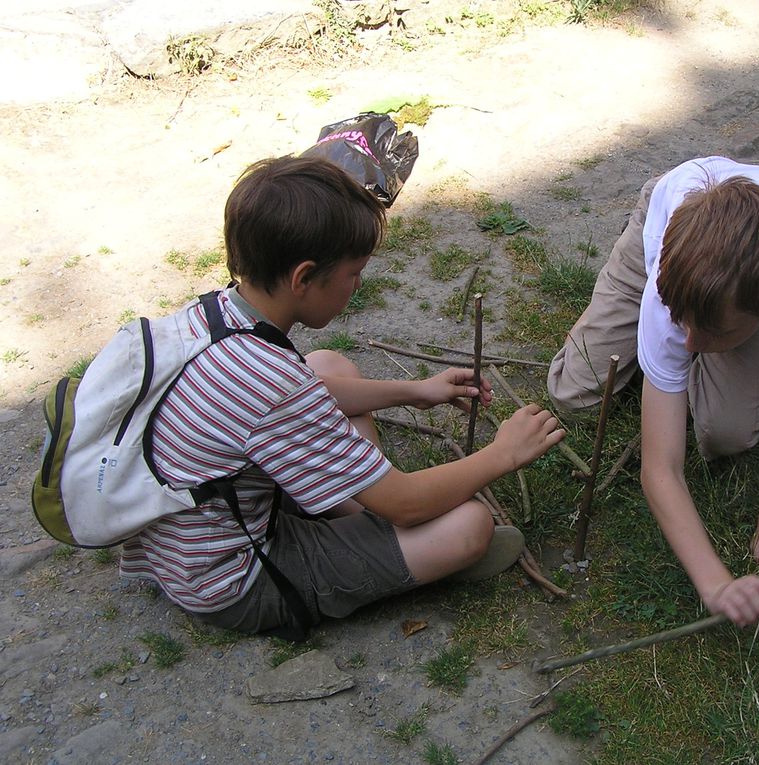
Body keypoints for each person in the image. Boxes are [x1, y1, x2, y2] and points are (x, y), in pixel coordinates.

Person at [120, 155, 565, 637]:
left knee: (328, 363)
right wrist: (503, 453)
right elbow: (408, 502)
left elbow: (298, 394)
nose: (358, 286)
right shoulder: (273, 386)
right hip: (234, 576)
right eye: (354, 273)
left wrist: (413, 391)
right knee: (470, 525)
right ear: (303, 277)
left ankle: (364, 517)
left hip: (189, 529)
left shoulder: (217, 313)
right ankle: (395, 541)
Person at [547, 156, 759, 627]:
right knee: (574, 394)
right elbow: (661, 468)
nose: (692, 344)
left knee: (726, 436)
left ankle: (704, 339)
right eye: (683, 324)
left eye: (710, 333)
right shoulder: (669, 276)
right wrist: (715, 582)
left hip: (749, 286)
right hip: (670, 229)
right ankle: (630, 286)